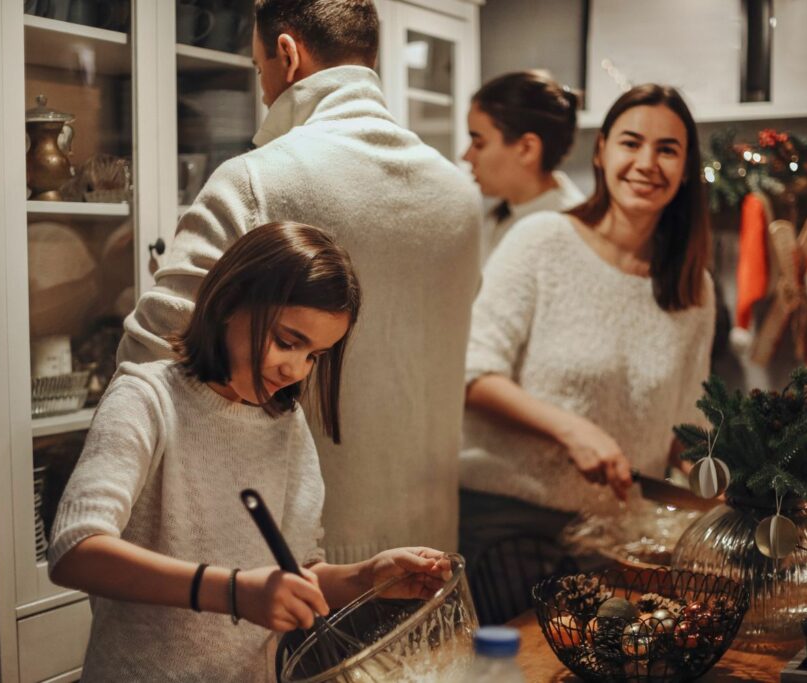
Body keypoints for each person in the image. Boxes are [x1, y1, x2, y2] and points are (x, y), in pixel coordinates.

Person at [117, 0, 480, 563]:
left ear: (287, 55)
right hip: (431, 550)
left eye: (259, 67)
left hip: (293, 560)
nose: (263, 88)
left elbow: (147, 358)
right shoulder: (461, 197)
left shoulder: (257, 180)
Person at [49, 222, 452, 682]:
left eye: (314, 356)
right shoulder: (146, 398)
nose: (296, 370)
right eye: (287, 341)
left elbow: (293, 573)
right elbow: (74, 550)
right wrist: (234, 592)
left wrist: (366, 578)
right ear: (228, 303)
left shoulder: (284, 424)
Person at [458, 84, 715, 569]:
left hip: (617, 540)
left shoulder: (693, 289)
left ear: (685, 171)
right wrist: (570, 430)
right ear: (601, 152)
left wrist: (731, 486)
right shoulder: (541, 241)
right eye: (631, 142)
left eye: (667, 150)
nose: (646, 162)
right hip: (508, 528)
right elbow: (471, 373)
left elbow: (689, 429)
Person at [462, 70, 585, 263]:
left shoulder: (570, 233)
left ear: (527, 148)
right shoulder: (499, 216)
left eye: (479, 144)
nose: (466, 157)